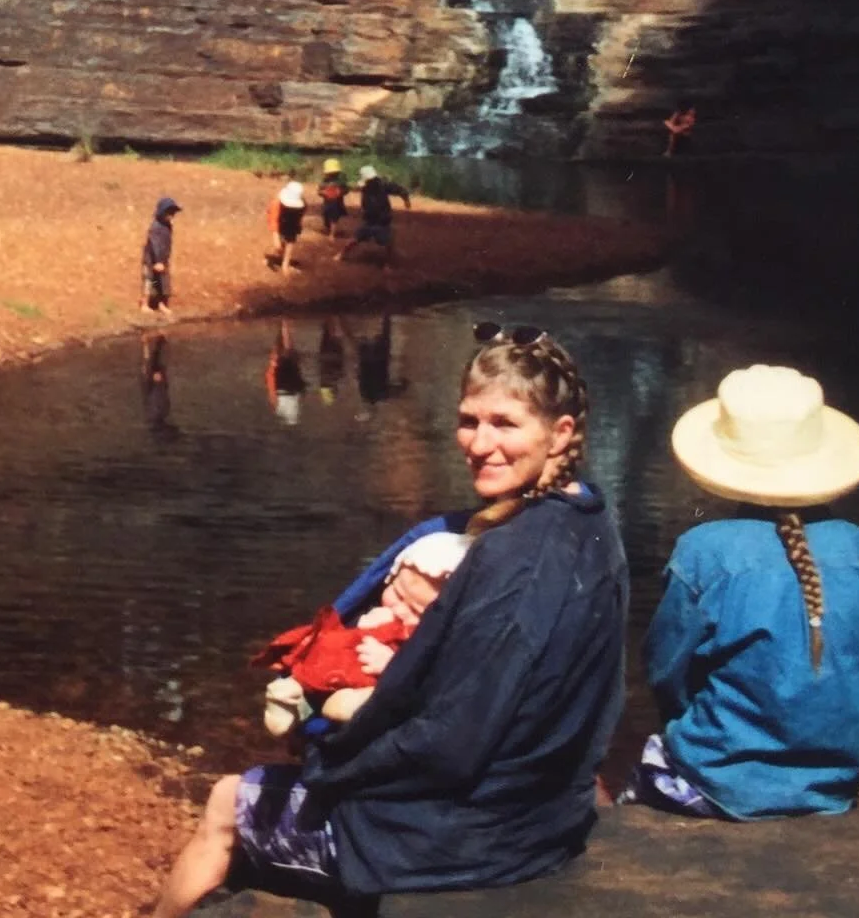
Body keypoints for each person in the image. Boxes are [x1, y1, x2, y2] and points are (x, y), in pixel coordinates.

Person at [151, 326, 627, 916]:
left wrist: (331, 761)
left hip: (465, 840)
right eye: (468, 421)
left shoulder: (513, 559)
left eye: (505, 424)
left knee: (227, 804)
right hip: (542, 814)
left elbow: (451, 743)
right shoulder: (591, 521)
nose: (480, 444)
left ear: (559, 434)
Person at [622, 364, 859, 821]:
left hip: (723, 780)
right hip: (837, 778)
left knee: (633, 771)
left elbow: (667, 673)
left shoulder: (704, 553)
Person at [256, 531, 471, 734]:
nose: (399, 609)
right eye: (397, 593)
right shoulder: (379, 611)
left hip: (370, 691)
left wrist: (393, 664)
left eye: (415, 610)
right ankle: (289, 701)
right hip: (336, 675)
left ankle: (337, 708)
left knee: (356, 701)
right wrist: (364, 627)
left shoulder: (427, 641)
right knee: (315, 668)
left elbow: (428, 676)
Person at [335, 165, 411, 266]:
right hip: (370, 220)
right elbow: (352, 188)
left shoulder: (383, 185)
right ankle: (342, 254)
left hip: (382, 220)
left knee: (387, 243)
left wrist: (406, 200)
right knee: (356, 238)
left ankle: (388, 264)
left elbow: (401, 190)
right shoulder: (366, 187)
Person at [139, 196, 181, 314]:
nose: (171, 215)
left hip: (163, 259)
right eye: (169, 213)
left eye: (173, 213)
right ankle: (145, 304)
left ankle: (162, 304)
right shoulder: (155, 227)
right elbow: (155, 244)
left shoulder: (168, 226)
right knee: (149, 280)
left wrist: (165, 260)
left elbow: (167, 244)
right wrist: (157, 261)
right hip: (151, 259)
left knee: (163, 282)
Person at [276, 177, 307, 277]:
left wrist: (299, 225)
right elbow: (274, 218)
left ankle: (285, 264)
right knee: (281, 241)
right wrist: (275, 237)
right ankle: (282, 257)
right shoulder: (279, 203)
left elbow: (301, 215)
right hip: (282, 221)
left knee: (290, 242)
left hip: (293, 223)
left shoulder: (303, 205)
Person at [318, 159, 350, 238]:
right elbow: (319, 191)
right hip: (327, 203)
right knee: (326, 216)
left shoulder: (340, 182)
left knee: (334, 218)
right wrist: (323, 192)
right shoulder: (324, 182)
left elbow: (346, 189)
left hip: (336, 203)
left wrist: (340, 192)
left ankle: (332, 234)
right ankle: (328, 228)